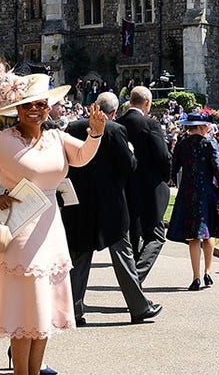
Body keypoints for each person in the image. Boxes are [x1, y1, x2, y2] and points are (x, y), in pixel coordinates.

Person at [0, 58, 106, 375]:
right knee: (26, 314)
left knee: (44, 311)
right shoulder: (3, 141)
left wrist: (95, 134)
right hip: (20, 228)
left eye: (40, 104)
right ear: (17, 110)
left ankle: (35, 371)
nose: (35, 110)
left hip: (51, 227)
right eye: (27, 106)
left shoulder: (56, 138)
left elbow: (81, 158)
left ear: (48, 107)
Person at [63, 92, 162, 323]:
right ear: (114, 112)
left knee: (80, 257)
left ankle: (74, 310)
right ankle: (138, 307)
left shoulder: (73, 127)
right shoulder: (115, 130)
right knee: (123, 254)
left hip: (80, 202)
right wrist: (132, 153)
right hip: (111, 204)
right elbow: (128, 166)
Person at [166, 110, 219, 290]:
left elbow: (174, 167)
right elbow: (218, 170)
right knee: (208, 232)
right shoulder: (209, 143)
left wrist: (173, 178)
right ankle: (208, 271)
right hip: (207, 192)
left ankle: (196, 276)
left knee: (193, 237)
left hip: (188, 192)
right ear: (202, 127)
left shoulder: (182, 145)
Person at [118, 85, 171, 282]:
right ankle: (135, 279)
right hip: (150, 187)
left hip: (125, 187)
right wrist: (164, 178)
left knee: (132, 236)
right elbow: (163, 157)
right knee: (156, 236)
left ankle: (133, 280)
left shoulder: (117, 124)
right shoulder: (150, 124)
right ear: (147, 103)